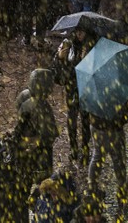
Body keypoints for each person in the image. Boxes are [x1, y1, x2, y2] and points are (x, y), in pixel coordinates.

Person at [52, 27, 95, 162]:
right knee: (72, 120)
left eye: (82, 31)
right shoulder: (68, 45)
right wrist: (59, 58)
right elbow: (58, 68)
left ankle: (85, 148)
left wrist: (86, 60)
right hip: (71, 87)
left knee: (85, 121)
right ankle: (73, 148)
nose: (79, 34)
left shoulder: (92, 46)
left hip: (86, 89)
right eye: (77, 32)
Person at [14, 69, 59, 185]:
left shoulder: (24, 97)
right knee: (43, 183)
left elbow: (19, 124)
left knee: (26, 180)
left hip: (25, 148)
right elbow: (48, 136)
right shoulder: (42, 107)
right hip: (39, 152)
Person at [87, 97, 128, 200]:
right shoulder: (118, 89)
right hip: (114, 128)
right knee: (119, 158)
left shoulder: (92, 90)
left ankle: (92, 187)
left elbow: (87, 107)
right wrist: (121, 121)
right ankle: (122, 189)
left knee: (97, 155)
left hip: (96, 126)